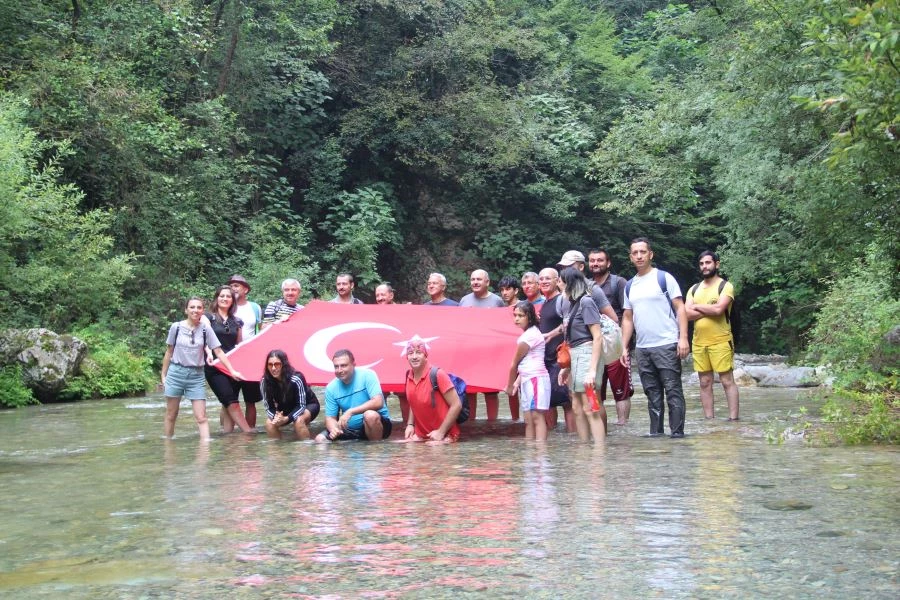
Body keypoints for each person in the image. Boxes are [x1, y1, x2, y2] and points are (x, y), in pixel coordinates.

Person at [620, 237, 689, 438]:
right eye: (635, 253)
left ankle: (677, 435)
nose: (639, 256)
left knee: (673, 390)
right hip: (642, 348)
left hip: (666, 343)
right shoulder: (630, 285)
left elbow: (680, 308)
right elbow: (627, 318)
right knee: (652, 393)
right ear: (631, 257)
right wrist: (624, 347)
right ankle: (656, 435)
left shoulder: (664, 278)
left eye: (643, 252)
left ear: (651, 254)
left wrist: (683, 338)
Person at [162, 297, 244, 440]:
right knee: (171, 414)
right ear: (186, 310)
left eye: (199, 308)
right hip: (176, 372)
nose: (195, 310)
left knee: (202, 417)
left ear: (203, 311)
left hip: (196, 375)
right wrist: (163, 375)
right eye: (192, 307)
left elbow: (218, 351)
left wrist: (232, 370)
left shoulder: (206, 329)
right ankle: (168, 446)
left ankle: (205, 450)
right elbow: (169, 351)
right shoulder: (176, 327)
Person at [685, 250, 740, 420]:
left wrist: (698, 307)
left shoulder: (725, 286)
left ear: (717, 264)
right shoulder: (694, 289)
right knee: (704, 382)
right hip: (699, 342)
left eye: (708, 263)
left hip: (721, 341)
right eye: (701, 264)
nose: (704, 266)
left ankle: (733, 419)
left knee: (726, 381)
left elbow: (719, 309)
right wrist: (710, 308)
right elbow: (687, 314)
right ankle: (709, 420)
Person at [557, 268, 608, 443]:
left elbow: (597, 336)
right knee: (577, 407)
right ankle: (584, 449)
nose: (558, 284)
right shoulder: (573, 304)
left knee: (591, 407)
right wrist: (567, 368)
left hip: (587, 356)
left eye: (560, 281)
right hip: (576, 356)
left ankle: (599, 453)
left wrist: (592, 371)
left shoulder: (586, 302)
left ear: (569, 283)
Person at [588, 249, 634, 425]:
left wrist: (624, 345)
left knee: (620, 390)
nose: (595, 264)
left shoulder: (618, 283)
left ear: (608, 263)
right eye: (592, 261)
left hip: (616, 345)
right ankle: (599, 427)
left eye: (600, 260)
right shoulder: (587, 285)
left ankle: (622, 425)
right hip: (595, 344)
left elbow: (627, 314)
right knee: (595, 387)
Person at [203, 285, 254, 433]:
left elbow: (238, 345)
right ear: (217, 298)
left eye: (228, 296)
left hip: (232, 366)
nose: (225, 299)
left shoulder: (237, 321)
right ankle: (248, 433)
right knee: (232, 403)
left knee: (227, 405)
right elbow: (206, 339)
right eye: (222, 296)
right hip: (215, 365)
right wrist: (208, 352)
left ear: (233, 301)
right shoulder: (207, 318)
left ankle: (228, 438)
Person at [316, 349, 392, 442]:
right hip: (350, 429)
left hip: (378, 424)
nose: (339, 370)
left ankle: (375, 451)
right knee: (320, 439)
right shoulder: (331, 388)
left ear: (353, 365)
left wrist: (351, 412)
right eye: (336, 366)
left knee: (370, 415)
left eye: (343, 366)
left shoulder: (368, 375)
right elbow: (330, 418)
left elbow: (378, 402)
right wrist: (334, 429)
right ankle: (340, 456)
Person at [459, 269, 504, 421]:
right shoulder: (464, 301)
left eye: (479, 279)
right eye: (472, 279)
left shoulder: (497, 301)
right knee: (470, 389)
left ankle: (493, 423)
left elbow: (503, 327)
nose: (475, 282)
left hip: (490, 353)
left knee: (491, 391)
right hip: (469, 353)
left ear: (487, 282)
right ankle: (471, 422)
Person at [403, 336, 462, 443]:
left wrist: (441, 432)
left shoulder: (438, 374)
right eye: (411, 353)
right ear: (407, 356)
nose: (414, 356)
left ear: (425, 355)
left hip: (446, 436)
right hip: (420, 435)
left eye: (418, 352)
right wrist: (410, 424)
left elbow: (456, 404)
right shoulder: (408, 375)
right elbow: (414, 401)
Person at [538, 268, 576, 433]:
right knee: (549, 400)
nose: (544, 282)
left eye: (548, 278)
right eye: (541, 279)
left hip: (560, 358)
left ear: (556, 281)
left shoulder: (562, 300)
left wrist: (552, 334)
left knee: (567, 401)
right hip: (546, 358)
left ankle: (573, 436)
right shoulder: (545, 302)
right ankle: (553, 438)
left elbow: (569, 322)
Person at [506, 301, 550, 441]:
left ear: (529, 317)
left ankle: (541, 454)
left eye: (520, 315)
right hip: (527, 379)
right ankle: (531, 454)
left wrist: (509, 386)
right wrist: (518, 382)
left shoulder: (529, 336)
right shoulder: (528, 334)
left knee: (537, 417)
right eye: (515, 315)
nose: (516, 319)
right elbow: (524, 363)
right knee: (528, 420)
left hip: (536, 379)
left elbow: (514, 364)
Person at [227, 274, 264, 427]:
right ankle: (227, 435)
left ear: (246, 289)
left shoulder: (255, 308)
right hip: (229, 358)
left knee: (251, 400)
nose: (233, 288)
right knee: (228, 401)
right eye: (231, 285)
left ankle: (250, 435)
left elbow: (261, 332)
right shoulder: (226, 306)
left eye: (236, 285)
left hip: (250, 359)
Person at [260, 349, 320, 440]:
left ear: (283, 365)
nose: (273, 368)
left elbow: (301, 405)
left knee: (299, 421)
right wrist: (276, 418)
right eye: (270, 365)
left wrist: (287, 418)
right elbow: (268, 407)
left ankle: (306, 449)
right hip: (284, 408)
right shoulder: (265, 381)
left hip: (308, 405)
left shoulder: (296, 378)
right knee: (269, 423)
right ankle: (277, 451)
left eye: (277, 364)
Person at [557, 250, 619, 324]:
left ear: (581, 267)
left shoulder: (593, 289)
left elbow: (614, 320)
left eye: (569, 266)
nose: (565, 270)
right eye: (563, 267)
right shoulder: (565, 291)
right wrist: (549, 335)